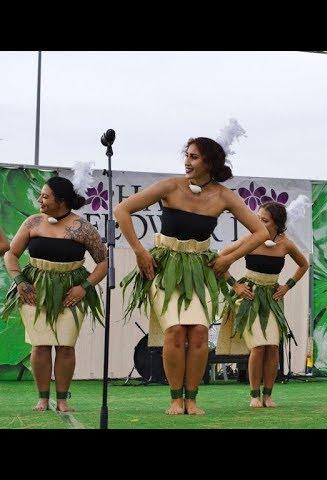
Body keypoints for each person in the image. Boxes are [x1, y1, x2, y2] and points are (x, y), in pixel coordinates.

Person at [117, 136, 269, 415]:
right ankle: (176, 398)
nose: (187, 162)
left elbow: (262, 232)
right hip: (166, 268)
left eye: (195, 157)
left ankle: (192, 399)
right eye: (187, 156)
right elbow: (122, 210)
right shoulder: (170, 186)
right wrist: (139, 251)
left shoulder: (224, 196)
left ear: (210, 162)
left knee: (198, 333)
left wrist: (228, 258)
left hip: (199, 269)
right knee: (175, 331)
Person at [2, 176, 106, 412]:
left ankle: (62, 399)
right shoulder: (33, 223)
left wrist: (84, 287)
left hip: (71, 290)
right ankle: (42, 397)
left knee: (65, 345)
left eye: (45, 196)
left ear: (61, 201)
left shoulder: (83, 228)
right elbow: (11, 254)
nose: (40, 200)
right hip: (35, 288)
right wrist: (19, 280)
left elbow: (102, 263)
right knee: (40, 345)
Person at [220, 201, 309, 407]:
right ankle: (254, 395)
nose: (258, 222)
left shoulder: (285, 244)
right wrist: (235, 286)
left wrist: (287, 286)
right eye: (257, 218)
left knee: (272, 348)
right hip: (250, 296)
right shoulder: (251, 239)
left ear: (277, 223)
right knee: (259, 346)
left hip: (272, 297)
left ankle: (268, 395)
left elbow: (303, 264)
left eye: (264, 220)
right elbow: (221, 257)